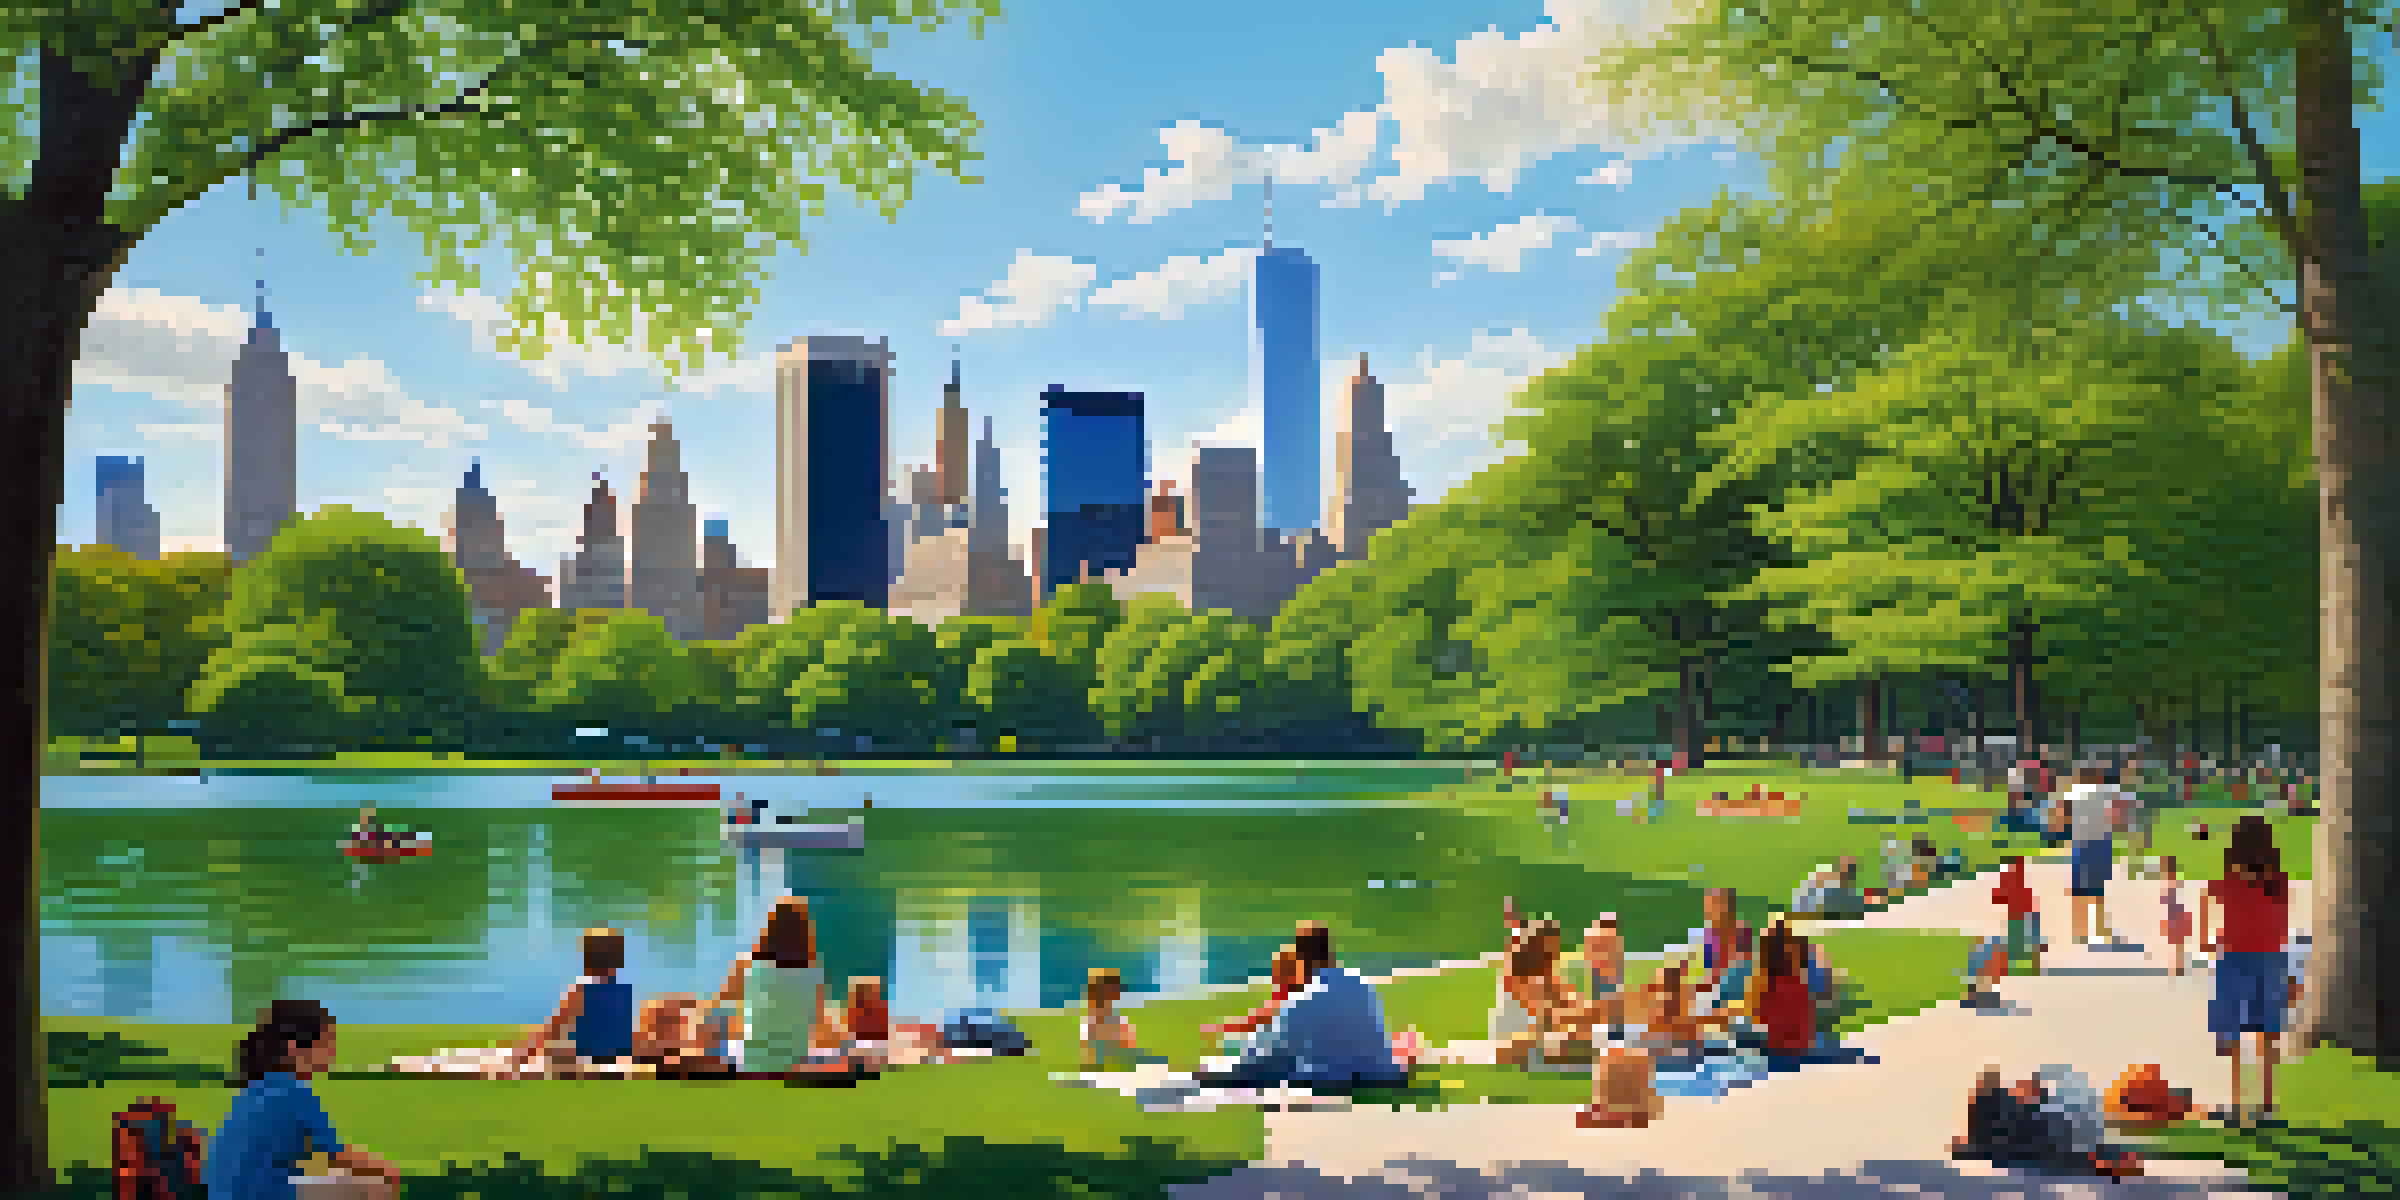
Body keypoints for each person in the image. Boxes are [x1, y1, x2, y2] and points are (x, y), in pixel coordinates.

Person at [206, 1000, 401, 1199]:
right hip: (260, 1193)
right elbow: (339, 1154)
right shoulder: (295, 1093)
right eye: (327, 1044)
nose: (332, 1053)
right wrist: (387, 1168)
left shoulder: (257, 1086)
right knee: (377, 1184)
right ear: (294, 1048)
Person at [1197, 920, 1409, 1092]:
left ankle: (1216, 1075)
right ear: (1330, 951)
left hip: (1335, 1080)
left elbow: (1273, 1053)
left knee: (1275, 1062)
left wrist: (1220, 1073)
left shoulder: (1304, 999)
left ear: (1300, 957)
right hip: (1380, 1074)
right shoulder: (1361, 983)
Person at [2198, 814, 2293, 1127]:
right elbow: (2281, 924)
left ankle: (2239, 1104)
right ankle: (2267, 1103)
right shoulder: (2279, 881)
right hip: (2271, 959)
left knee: (2234, 1032)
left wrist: (2205, 939)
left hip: (2236, 958)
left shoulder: (2230, 881)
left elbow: (2204, 896)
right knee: (2266, 1033)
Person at [706, 895, 827, 1074]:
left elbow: (722, 1005)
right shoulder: (814, 974)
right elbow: (816, 1018)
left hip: (752, 1059)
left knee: (719, 1026)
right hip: (796, 1059)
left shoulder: (749, 965)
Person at [1951, 1065, 2144, 1177]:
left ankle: (2110, 1159)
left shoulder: (2027, 1116)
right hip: (2032, 1150)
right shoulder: (2019, 1119)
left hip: (2036, 1147)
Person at [510, 927, 633, 1076]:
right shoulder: (623, 990)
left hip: (587, 1060)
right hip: (618, 1059)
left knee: (547, 1051)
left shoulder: (582, 990)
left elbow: (553, 1030)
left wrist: (524, 1054)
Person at [2063, 765, 2123, 946]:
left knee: (2081, 890)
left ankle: (2080, 931)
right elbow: (2115, 817)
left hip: (2082, 843)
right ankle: (2099, 929)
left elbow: (2065, 817)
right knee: (2097, 890)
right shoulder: (2106, 792)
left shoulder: (2075, 791)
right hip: (2099, 843)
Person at [1204, 944, 1305, 1048]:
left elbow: (1256, 1021)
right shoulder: (1284, 995)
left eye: (1281, 964)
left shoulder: (1289, 999)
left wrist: (1221, 1028)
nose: (1275, 968)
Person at [1081, 967, 1144, 1069]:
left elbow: (1129, 1048)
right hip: (1110, 1067)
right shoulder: (1093, 1020)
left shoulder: (1114, 1017)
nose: (1117, 991)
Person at [1992, 855, 2043, 976]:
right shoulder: (2015, 874)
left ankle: (2025, 968)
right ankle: (2029, 967)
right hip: (2026, 912)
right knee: (2026, 944)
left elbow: (1998, 896)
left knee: (2020, 944)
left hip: (2020, 914)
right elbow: (1999, 896)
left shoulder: (2009, 876)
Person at [2159, 855, 2195, 976]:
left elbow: (2182, 900)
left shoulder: (2178, 881)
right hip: (2173, 913)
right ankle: (2177, 968)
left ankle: (2178, 968)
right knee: (2175, 942)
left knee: (2177, 942)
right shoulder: (2168, 881)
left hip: (2176, 913)